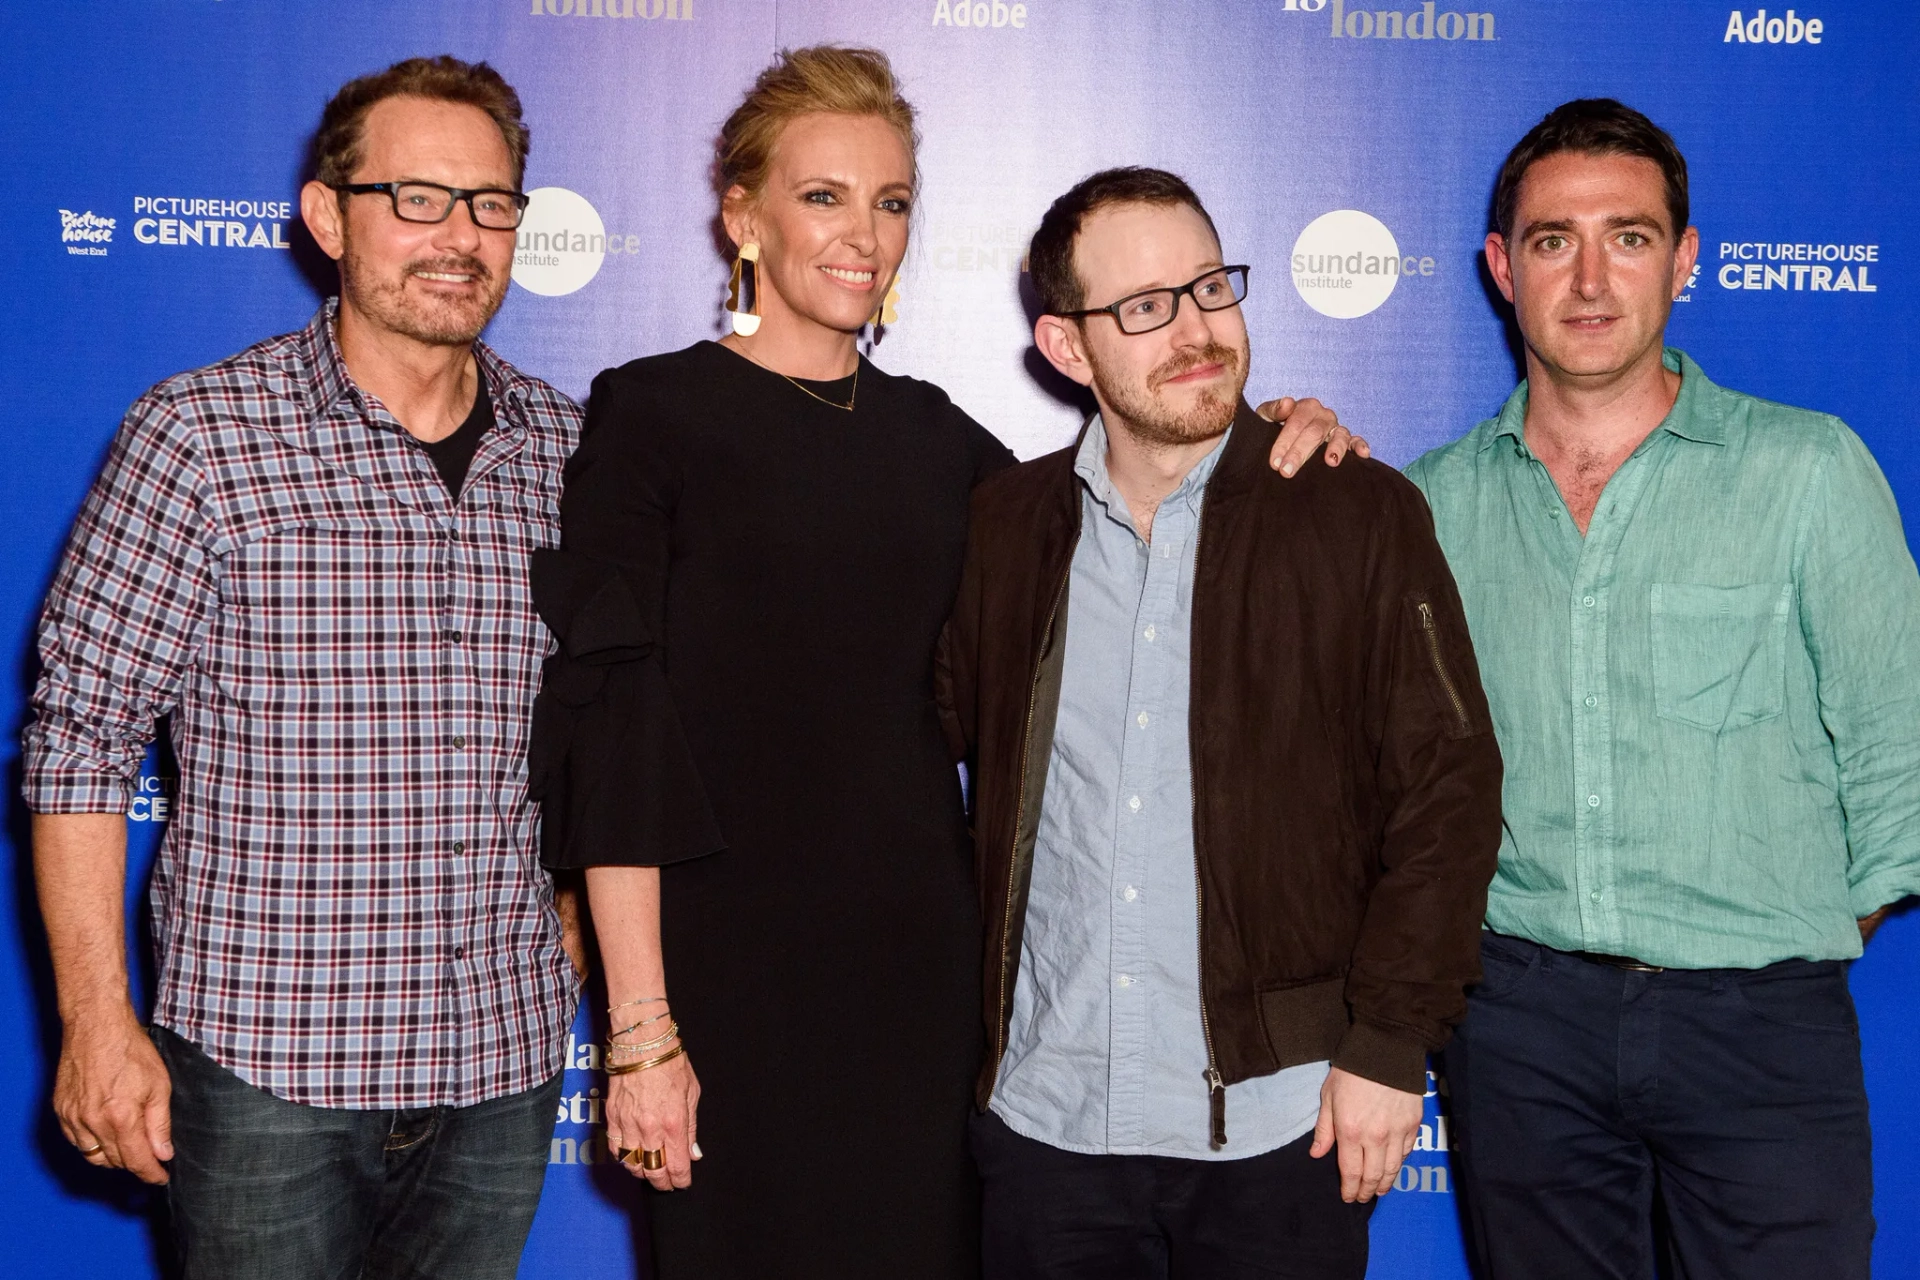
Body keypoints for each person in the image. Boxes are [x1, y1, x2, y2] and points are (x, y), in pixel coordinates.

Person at [528, 47, 1361, 1280]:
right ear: (742, 217)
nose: (864, 234)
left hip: (930, 981)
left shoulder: (939, 441)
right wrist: (643, 1027)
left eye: (893, 199)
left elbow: (1139, 482)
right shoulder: (649, 415)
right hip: (727, 974)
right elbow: (615, 723)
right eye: (824, 197)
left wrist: (1277, 426)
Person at [25, 57, 584, 1279]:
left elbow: (617, 727)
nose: (460, 237)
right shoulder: (201, 436)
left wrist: (577, 926)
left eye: (490, 203)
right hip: (269, 1064)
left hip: (501, 1061)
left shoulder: (573, 450)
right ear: (329, 218)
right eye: (417, 198)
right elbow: (80, 737)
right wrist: (95, 1022)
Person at [935, 166, 1505, 1280]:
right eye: (1145, 306)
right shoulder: (1005, 527)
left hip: (1280, 1126)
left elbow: (1448, 791)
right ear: (1067, 347)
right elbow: (908, 749)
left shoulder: (1354, 510)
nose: (1196, 329)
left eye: (1209, 286)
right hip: (1047, 1126)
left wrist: (1389, 1046)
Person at [1404, 98, 1920, 1280]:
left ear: (1685, 261)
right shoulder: (1430, 506)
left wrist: (1789, 939)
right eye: (1552, 240)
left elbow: (1902, 747)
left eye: (1628, 237)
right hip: (1521, 1022)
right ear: (1500, 267)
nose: (1590, 279)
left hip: (1761, 1025)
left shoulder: (1807, 470)